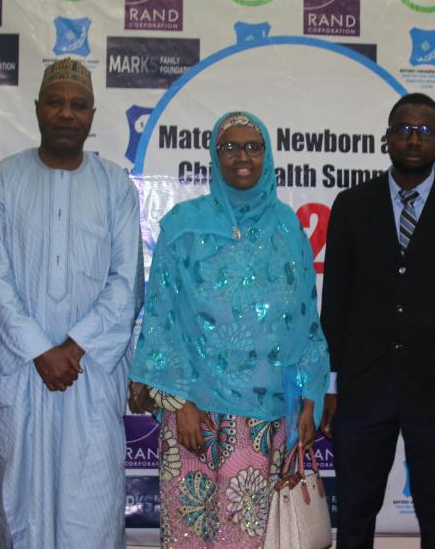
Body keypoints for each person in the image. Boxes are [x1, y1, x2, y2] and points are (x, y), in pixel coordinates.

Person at [129, 111, 329, 549]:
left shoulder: (287, 227)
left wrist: (310, 398)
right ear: (214, 156)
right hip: (193, 413)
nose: (243, 157)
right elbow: (163, 316)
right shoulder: (183, 226)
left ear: (267, 155)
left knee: (249, 536)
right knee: (190, 531)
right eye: (230, 147)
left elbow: (305, 319)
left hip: (266, 416)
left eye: (253, 147)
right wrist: (177, 402)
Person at [0, 58, 144, 549]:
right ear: (37, 109)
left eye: (78, 104)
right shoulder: (3, 181)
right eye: (56, 101)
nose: (66, 113)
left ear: (92, 115)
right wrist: (41, 351)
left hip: (89, 374)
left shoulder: (115, 187)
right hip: (26, 373)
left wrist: (74, 346)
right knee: (22, 507)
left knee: (91, 509)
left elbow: (125, 281)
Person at [320, 93, 435, 549]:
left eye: (424, 130)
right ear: (386, 138)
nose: (413, 139)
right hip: (361, 391)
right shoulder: (352, 205)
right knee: (354, 515)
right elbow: (334, 302)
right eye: (403, 129)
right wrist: (331, 384)